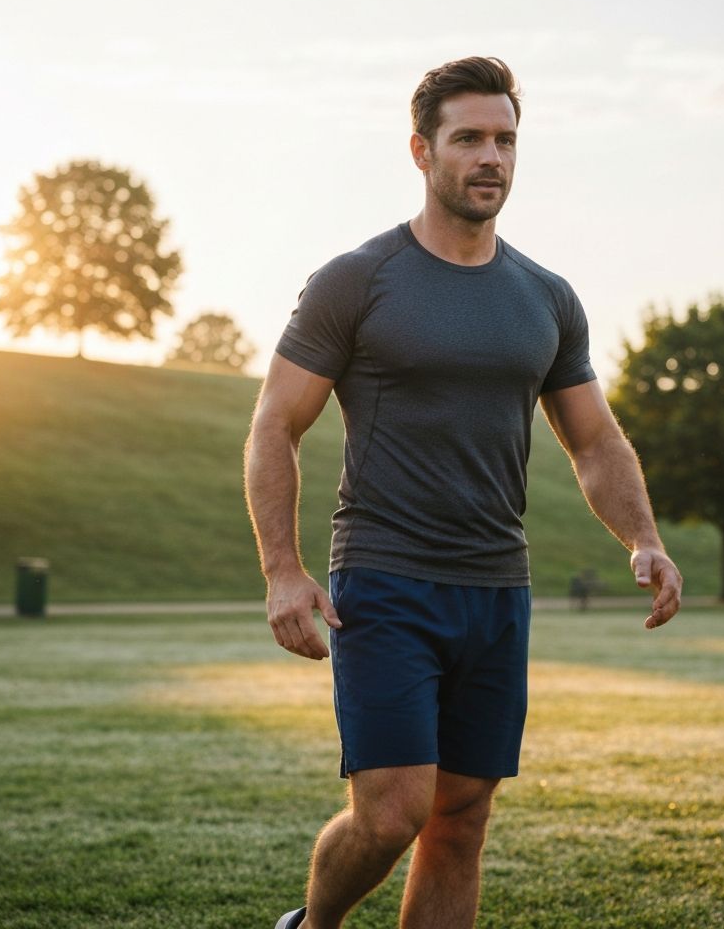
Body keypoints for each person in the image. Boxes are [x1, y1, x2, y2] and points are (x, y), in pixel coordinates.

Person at [244, 56, 683, 929]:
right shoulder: (358, 280)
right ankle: (314, 926)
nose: (492, 158)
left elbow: (593, 439)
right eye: (470, 138)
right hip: (386, 581)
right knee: (394, 811)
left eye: (507, 140)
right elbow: (273, 427)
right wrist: (283, 571)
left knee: (463, 818)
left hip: (496, 590)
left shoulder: (545, 298)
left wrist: (643, 536)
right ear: (421, 151)